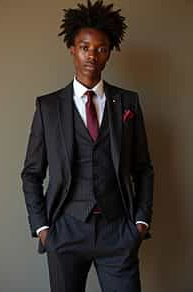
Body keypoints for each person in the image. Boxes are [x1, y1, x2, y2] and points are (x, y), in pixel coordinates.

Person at [21, 1, 154, 291]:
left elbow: (143, 168)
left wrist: (140, 221)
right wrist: (43, 228)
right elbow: (31, 172)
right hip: (65, 230)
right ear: (72, 48)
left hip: (118, 229)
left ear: (109, 53)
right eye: (84, 47)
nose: (92, 55)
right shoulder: (48, 107)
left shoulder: (128, 103)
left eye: (101, 49)